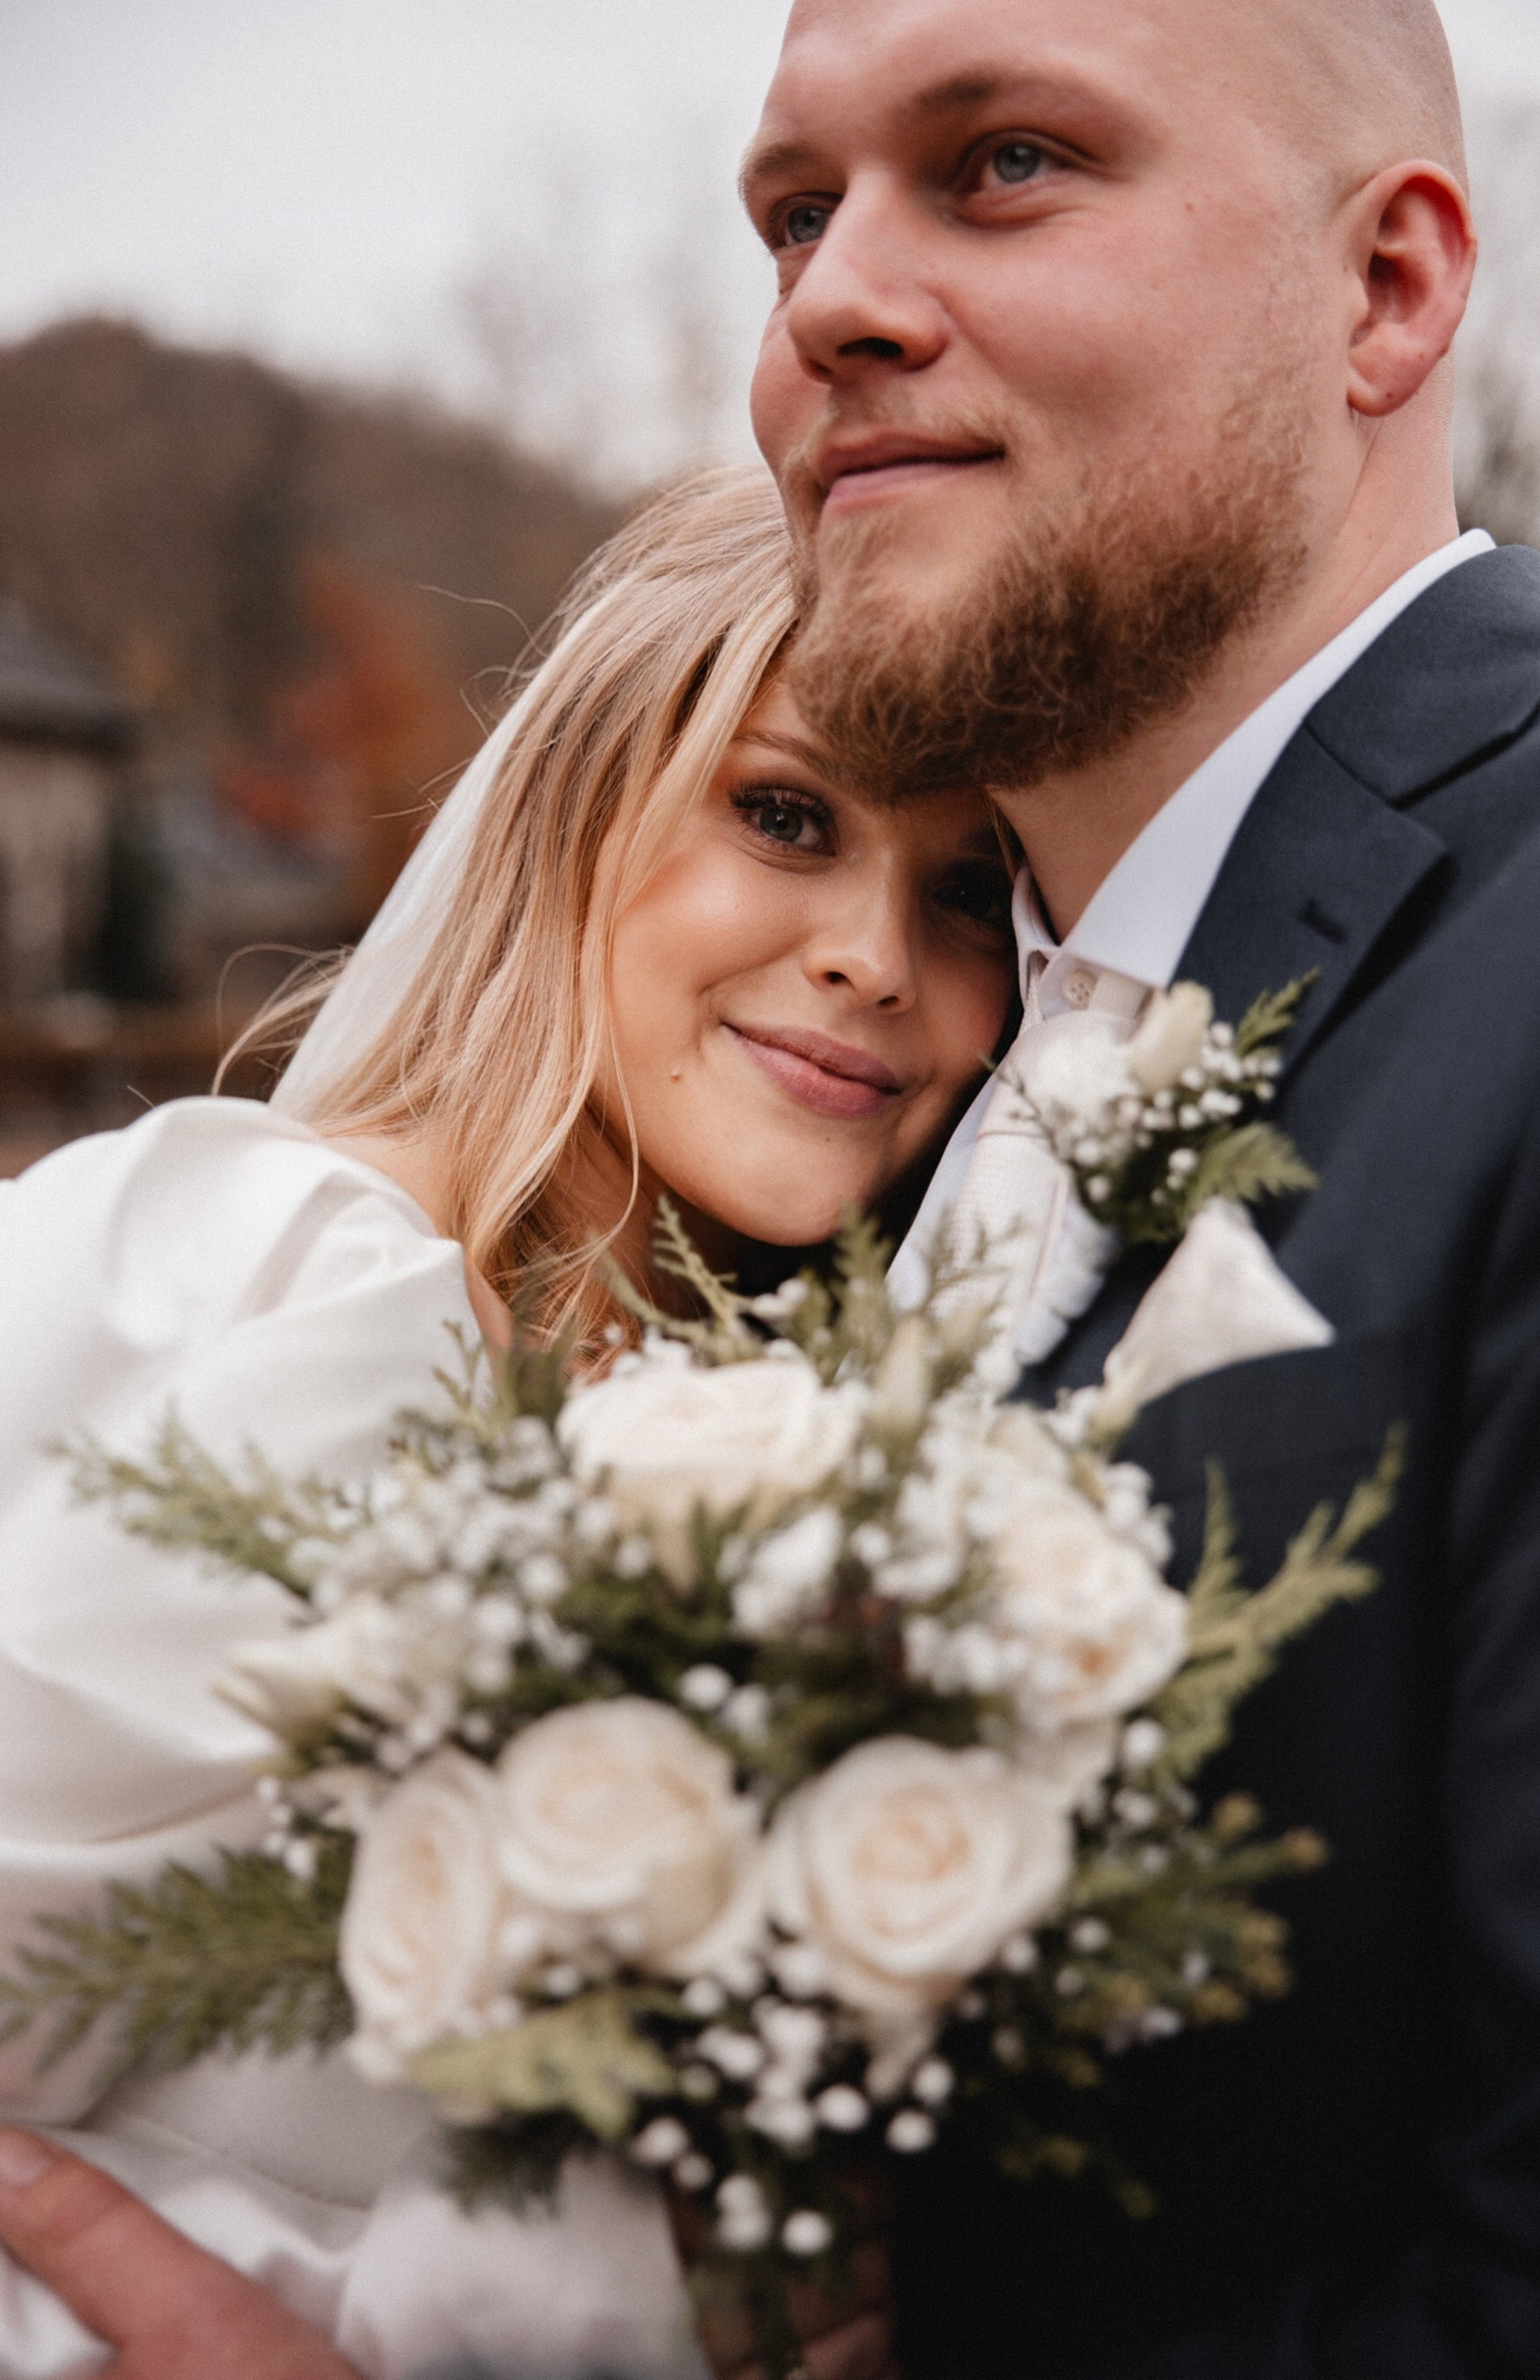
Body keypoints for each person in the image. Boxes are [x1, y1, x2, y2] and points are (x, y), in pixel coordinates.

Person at [18, 0, 1540, 2373]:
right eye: (790, 211)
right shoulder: (997, 1129)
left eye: (1012, 160)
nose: (829, 292)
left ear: (1385, 290)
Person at [0, 466, 1011, 2380]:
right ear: (575, 814)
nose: (878, 953)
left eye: (970, 893)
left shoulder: (812, 1517)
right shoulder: (239, 1264)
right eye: (784, 814)